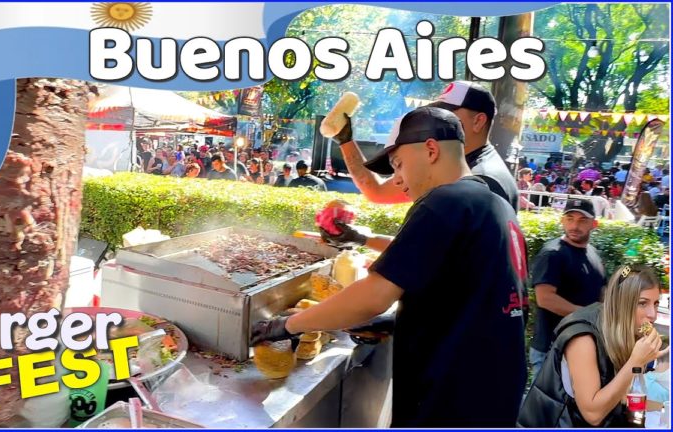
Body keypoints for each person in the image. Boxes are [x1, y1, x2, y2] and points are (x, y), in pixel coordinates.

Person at [251, 107, 528, 427]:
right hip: (492, 396)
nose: (397, 178)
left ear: (431, 150)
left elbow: (373, 295)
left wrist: (287, 326)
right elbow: (470, 295)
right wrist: (397, 322)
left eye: (398, 164)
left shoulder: (445, 201)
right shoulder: (493, 203)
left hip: (450, 400)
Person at [332, 80, 519, 212]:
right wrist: (345, 141)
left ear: (478, 121)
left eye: (447, 114)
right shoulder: (451, 167)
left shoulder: (482, 182)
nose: (436, 119)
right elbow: (377, 192)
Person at [518, 265, 669, 427]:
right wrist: (635, 363)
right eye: (643, 304)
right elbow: (592, 414)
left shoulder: (626, 332)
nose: (652, 315)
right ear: (622, 303)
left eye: (655, 304)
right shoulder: (583, 337)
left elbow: (623, 397)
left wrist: (661, 407)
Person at [528, 198, 606, 381]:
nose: (574, 225)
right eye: (570, 218)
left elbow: (601, 292)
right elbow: (545, 298)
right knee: (546, 408)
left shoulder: (593, 254)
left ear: (594, 224)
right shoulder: (553, 253)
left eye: (582, 220)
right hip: (552, 348)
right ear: (562, 220)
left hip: (581, 347)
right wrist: (588, 315)